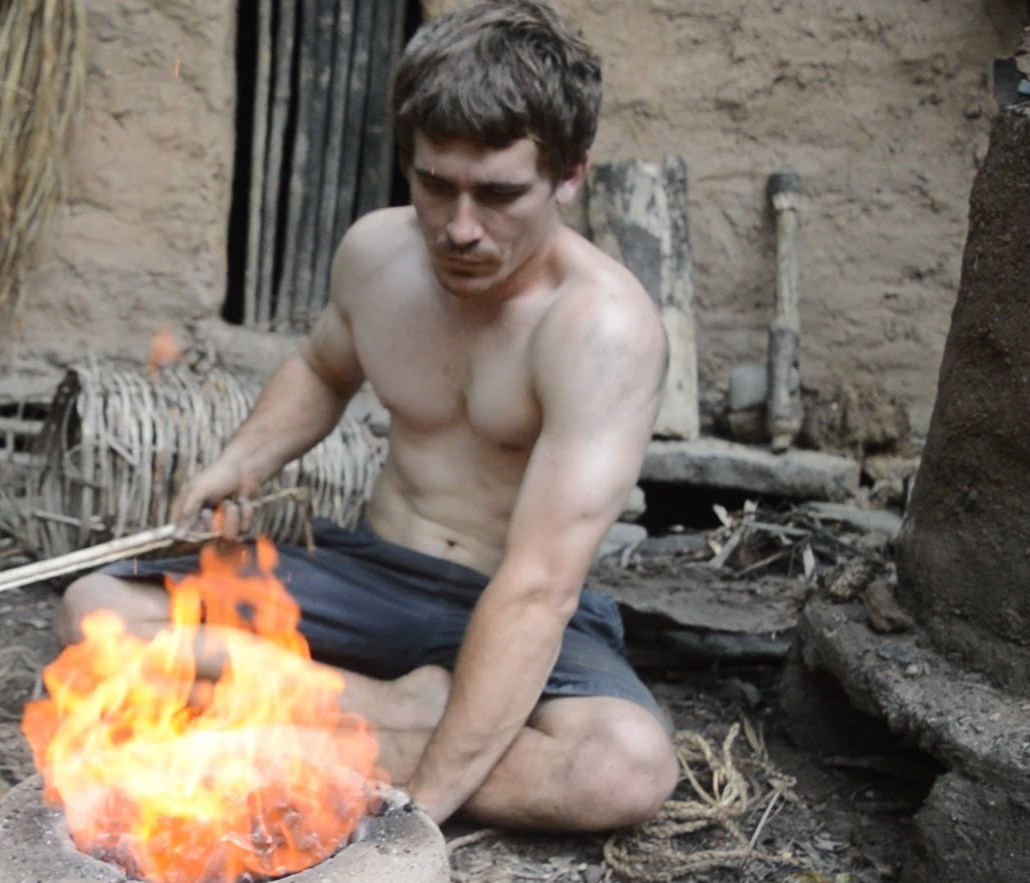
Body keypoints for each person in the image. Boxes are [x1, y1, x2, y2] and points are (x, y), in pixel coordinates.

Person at [58, 0, 679, 831]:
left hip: (507, 602)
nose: (460, 229)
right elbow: (321, 367)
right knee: (97, 613)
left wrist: (418, 815)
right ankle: (398, 708)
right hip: (373, 574)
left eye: (498, 195)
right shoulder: (377, 254)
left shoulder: (603, 330)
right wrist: (243, 460)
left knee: (622, 770)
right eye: (434, 185)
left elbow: (535, 591)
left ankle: (292, 735)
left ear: (569, 175)